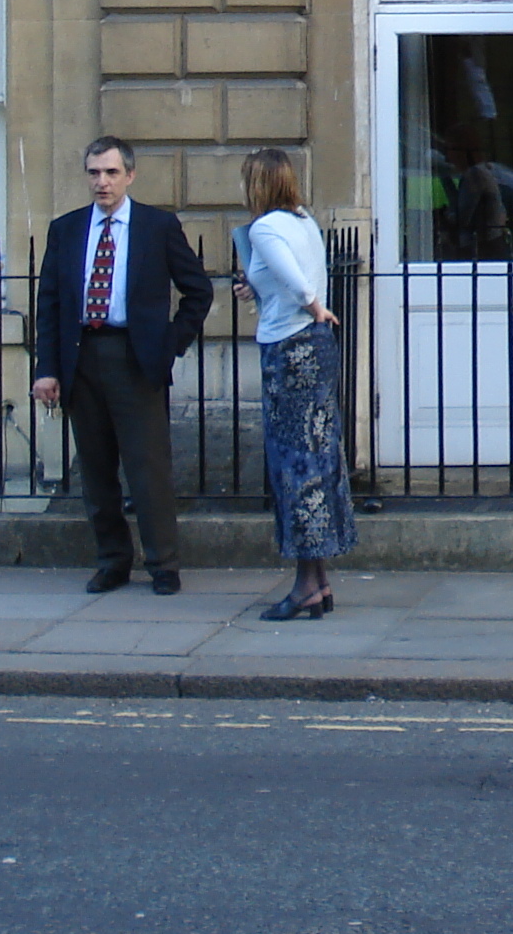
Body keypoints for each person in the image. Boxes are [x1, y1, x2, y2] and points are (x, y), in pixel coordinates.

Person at [31, 137, 215, 595]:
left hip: (135, 358)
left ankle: (163, 564)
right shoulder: (67, 229)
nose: (102, 182)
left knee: (147, 467)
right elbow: (49, 303)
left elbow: (198, 292)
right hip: (83, 356)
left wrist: (167, 344)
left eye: (111, 173)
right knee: (95, 470)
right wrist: (46, 368)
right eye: (94, 172)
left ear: (129, 176)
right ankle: (113, 560)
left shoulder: (157, 226)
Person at [232, 147, 355, 619]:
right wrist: (255, 289)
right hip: (317, 346)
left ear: (258, 184)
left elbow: (297, 283)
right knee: (319, 461)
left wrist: (312, 305)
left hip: (289, 349)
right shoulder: (304, 221)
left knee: (294, 468)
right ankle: (318, 582)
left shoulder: (264, 228)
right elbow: (278, 283)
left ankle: (306, 585)